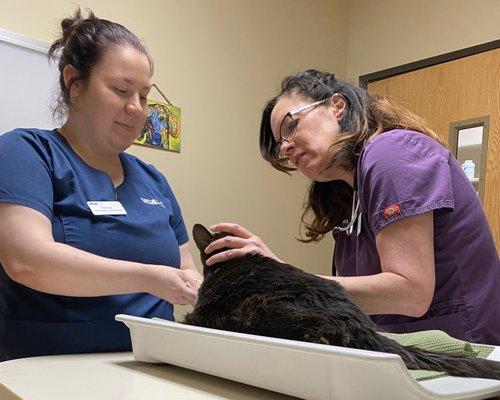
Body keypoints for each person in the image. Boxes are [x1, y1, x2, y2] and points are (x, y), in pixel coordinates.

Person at [204, 69, 500, 345]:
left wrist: (281, 279)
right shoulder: (347, 197)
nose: (285, 147)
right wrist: (281, 277)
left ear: (337, 106)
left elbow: (411, 293)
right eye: (281, 142)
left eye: (291, 125)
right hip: (405, 353)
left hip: (459, 357)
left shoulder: (391, 152)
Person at [0, 9, 202, 361]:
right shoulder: (28, 153)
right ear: (75, 84)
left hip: (153, 364)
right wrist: (150, 278)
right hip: (47, 366)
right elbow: (26, 260)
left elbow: (185, 269)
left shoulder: (153, 180)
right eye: (121, 90)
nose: (136, 108)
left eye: (144, 95)